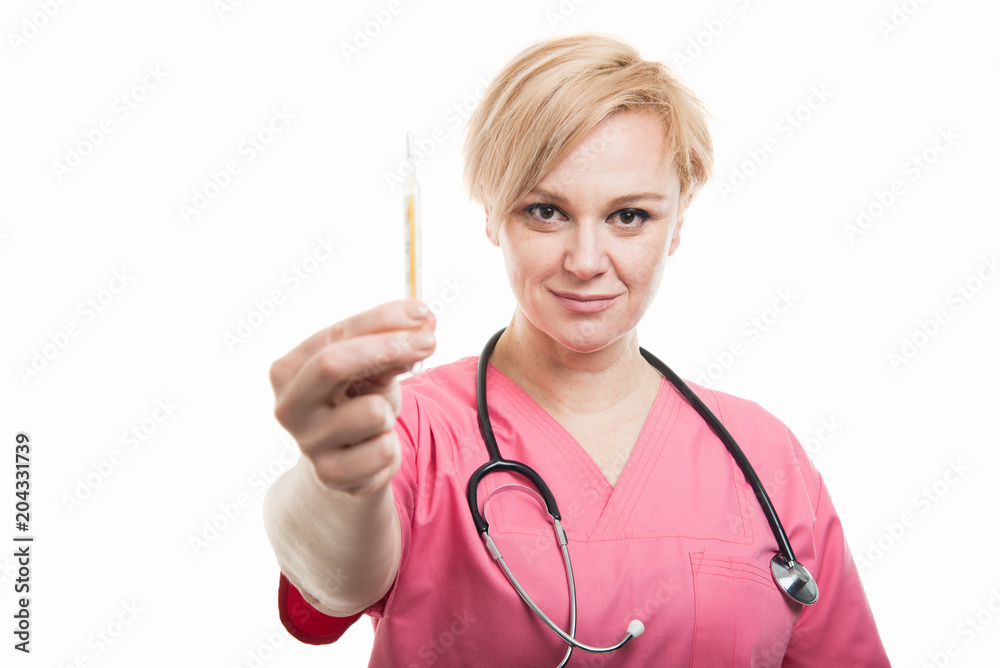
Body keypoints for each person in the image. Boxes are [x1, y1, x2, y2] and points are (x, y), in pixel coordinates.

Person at [262, 33, 891, 666]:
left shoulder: (764, 457)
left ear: (679, 220)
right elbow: (334, 579)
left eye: (629, 216)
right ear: (492, 214)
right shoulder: (412, 428)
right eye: (546, 211)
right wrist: (337, 482)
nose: (586, 262)